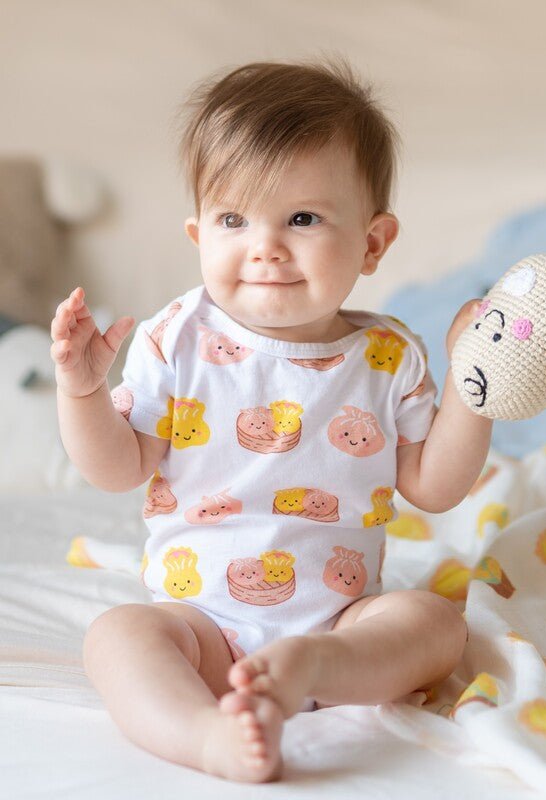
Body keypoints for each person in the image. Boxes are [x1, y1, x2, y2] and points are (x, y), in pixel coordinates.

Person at [50, 59, 492, 783]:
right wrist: (81, 392)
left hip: (341, 622)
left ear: (373, 242)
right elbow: (117, 468)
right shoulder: (176, 338)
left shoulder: (388, 356)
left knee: (437, 624)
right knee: (117, 635)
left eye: (303, 219)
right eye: (234, 220)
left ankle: (310, 667)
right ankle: (204, 735)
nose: (265, 246)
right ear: (199, 233)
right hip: (202, 621)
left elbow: (434, 487)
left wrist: (475, 394)